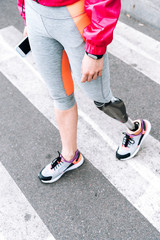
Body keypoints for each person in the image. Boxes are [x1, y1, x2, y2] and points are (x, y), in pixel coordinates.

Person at [17, 0, 151, 183]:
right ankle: (69, 155)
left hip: (73, 16)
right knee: (60, 94)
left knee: (101, 99)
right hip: (36, 14)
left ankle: (136, 129)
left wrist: (95, 51)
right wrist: (26, 13)